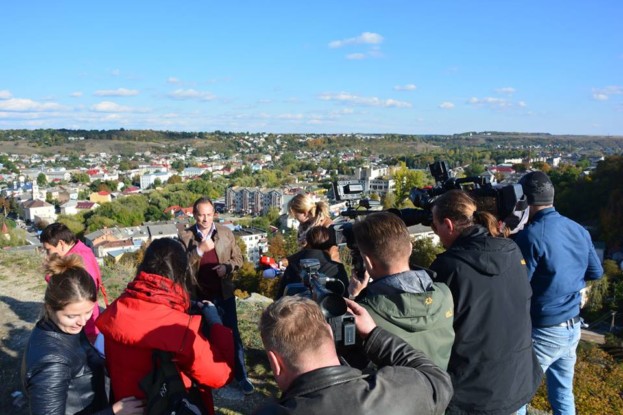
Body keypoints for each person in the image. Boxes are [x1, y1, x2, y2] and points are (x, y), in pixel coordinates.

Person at [428, 189, 542, 415]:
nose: (436, 232)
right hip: (517, 381)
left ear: (448, 225)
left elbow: (435, 332)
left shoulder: (449, 267)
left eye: (435, 226)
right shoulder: (511, 250)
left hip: (472, 394)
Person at [96, 238, 235, 414]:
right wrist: (216, 323)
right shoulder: (179, 329)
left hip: (126, 407)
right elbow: (220, 375)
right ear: (182, 274)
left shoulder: (116, 309)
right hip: (169, 407)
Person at [253, 296, 453, 415]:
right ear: (330, 333)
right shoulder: (396, 392)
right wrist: (373, 334)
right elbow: (438, 379)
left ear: (275, 362)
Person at [514, 171, 604, 415]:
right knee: (563, 393)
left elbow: (517, 288)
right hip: (572, 327)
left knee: (516, 395)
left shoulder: (531, 236)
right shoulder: (578, 229)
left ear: (524, 200)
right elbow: (595, 272)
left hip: (544, 329)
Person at [22, 255, 143, 415]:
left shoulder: (61, 327)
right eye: (71, 316)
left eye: (88, 312)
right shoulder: (52, 362)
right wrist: (113, 412)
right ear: (49, 307)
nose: (82, 322)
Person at [346, 211, 455, 370]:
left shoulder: (364, 316)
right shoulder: (444, 295)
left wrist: (354, 299)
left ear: (367, 261)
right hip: (439, 384)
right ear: (410, 248)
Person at [178, 197, 253, 394]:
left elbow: (238, 259)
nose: (205, 219)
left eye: (209, 214)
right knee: (203, 338)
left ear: (214, 214)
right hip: (199, 297)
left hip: (223, 293)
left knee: (232, 335)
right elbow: (181, 267)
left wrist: (227, 267)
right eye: (201, 215)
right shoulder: (185, 237)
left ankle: (241, 376)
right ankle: (210, 378)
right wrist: (199, 251)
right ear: (194, 215)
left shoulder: (225, 233)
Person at [40, 222, 105, 343]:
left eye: (48, 250)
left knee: (87, 348)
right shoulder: (82, 249)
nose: (47, 255)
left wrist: (51, 274)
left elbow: (77, 290)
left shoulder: (76, 260)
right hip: (87, 315)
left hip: (85, 323)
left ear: (61, 244)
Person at [277, 226, 348, 299]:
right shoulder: (335, 268)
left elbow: (280, 297)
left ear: (308, 242)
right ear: (331, 245)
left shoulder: (293, 265)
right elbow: (345, 298)